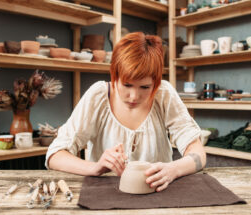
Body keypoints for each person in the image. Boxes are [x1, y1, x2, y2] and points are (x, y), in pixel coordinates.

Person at [46, 32, 206, 192]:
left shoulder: (163, 94)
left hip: (157, 194)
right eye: (127, 85)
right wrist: (95, 168)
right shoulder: (99, 95)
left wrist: (174, 169)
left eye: (145, 87)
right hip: (104, 195)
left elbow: (197, 152)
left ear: (155, 83)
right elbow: (55, 156)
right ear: (114, 75)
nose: (134, 96)